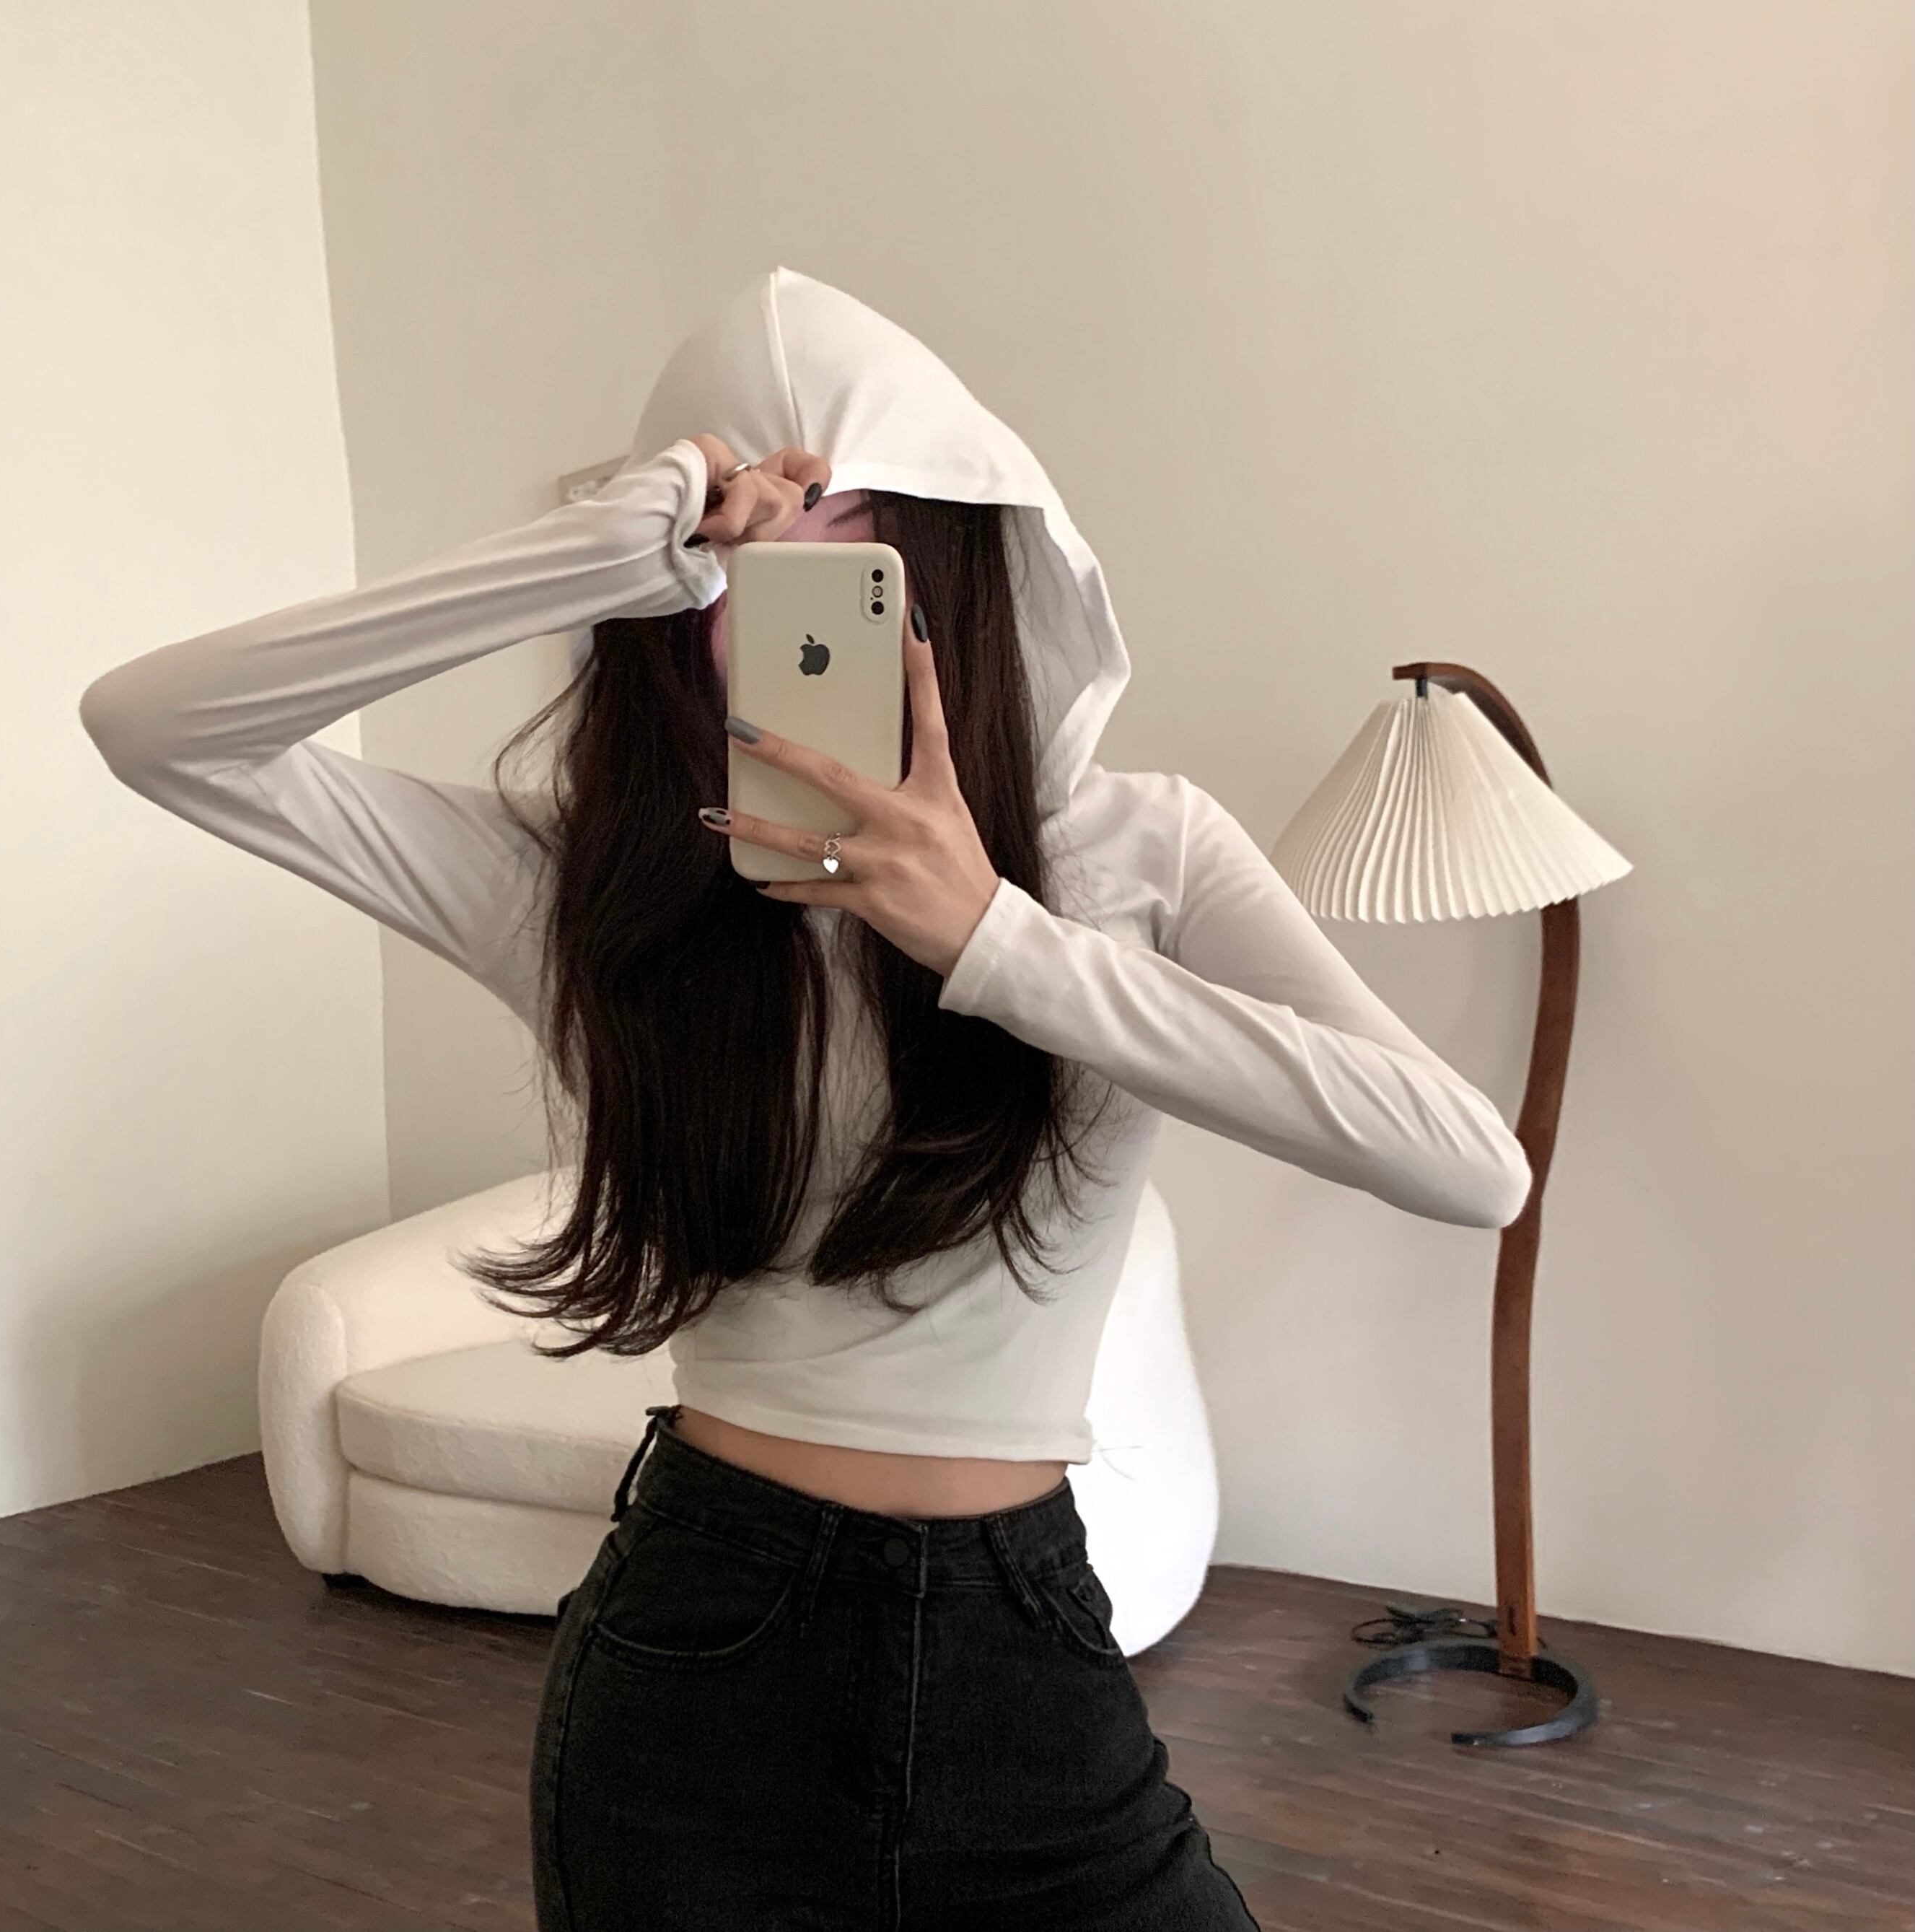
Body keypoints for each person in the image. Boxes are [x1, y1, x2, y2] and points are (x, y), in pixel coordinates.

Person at [79, 266, 1532, 1931]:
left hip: (1025, 1651)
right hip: (701, 1658)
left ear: (954, 560)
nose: (779, 591)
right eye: (731, 551)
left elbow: (1467, 1165)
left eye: (849, 536)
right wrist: (602, 546)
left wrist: (993, 938)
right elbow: (155, 727)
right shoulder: (582, 888)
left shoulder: (1139, 852)